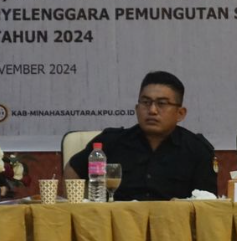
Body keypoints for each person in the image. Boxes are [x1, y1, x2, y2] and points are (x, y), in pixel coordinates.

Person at [64, 71, 218, 200]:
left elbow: (207, 202)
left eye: (162, 103)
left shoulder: (197, 150)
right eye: (145, 102)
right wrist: (77, 210)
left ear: (180, 113)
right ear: (137, 108)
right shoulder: (111, 141)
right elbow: (73, 169)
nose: (152, 110)